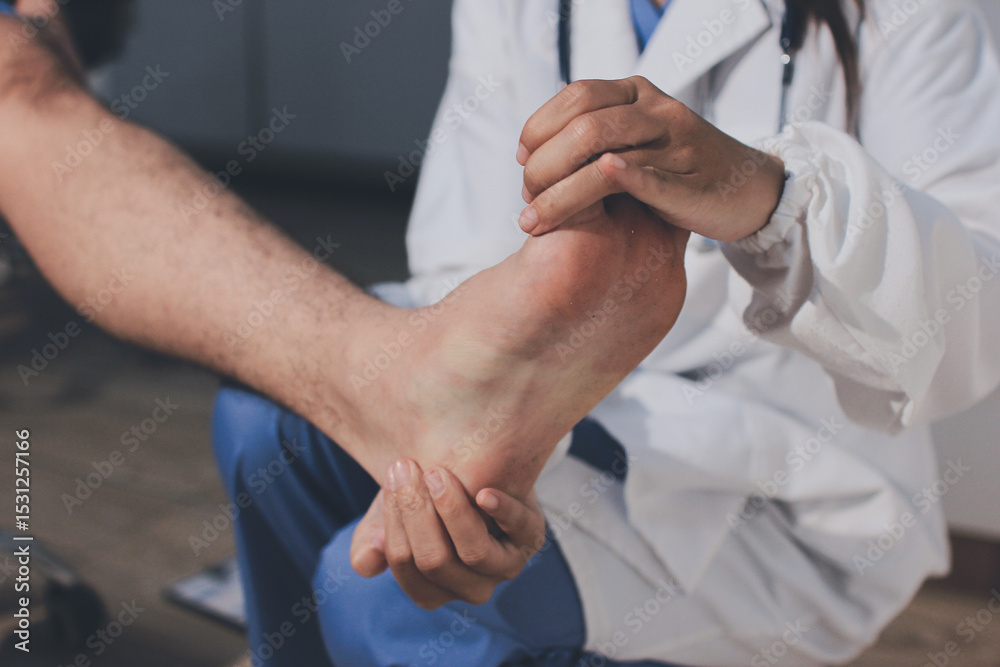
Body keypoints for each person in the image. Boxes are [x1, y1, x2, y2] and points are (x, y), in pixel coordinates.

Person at [312, 0, 1000, 664]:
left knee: (371, 596)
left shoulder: (912, 12)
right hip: (572, 408)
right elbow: (458, 252)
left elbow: (979, 320)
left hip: (782, 482)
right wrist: (490, 424)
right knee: (275, 422)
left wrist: (771, 197)